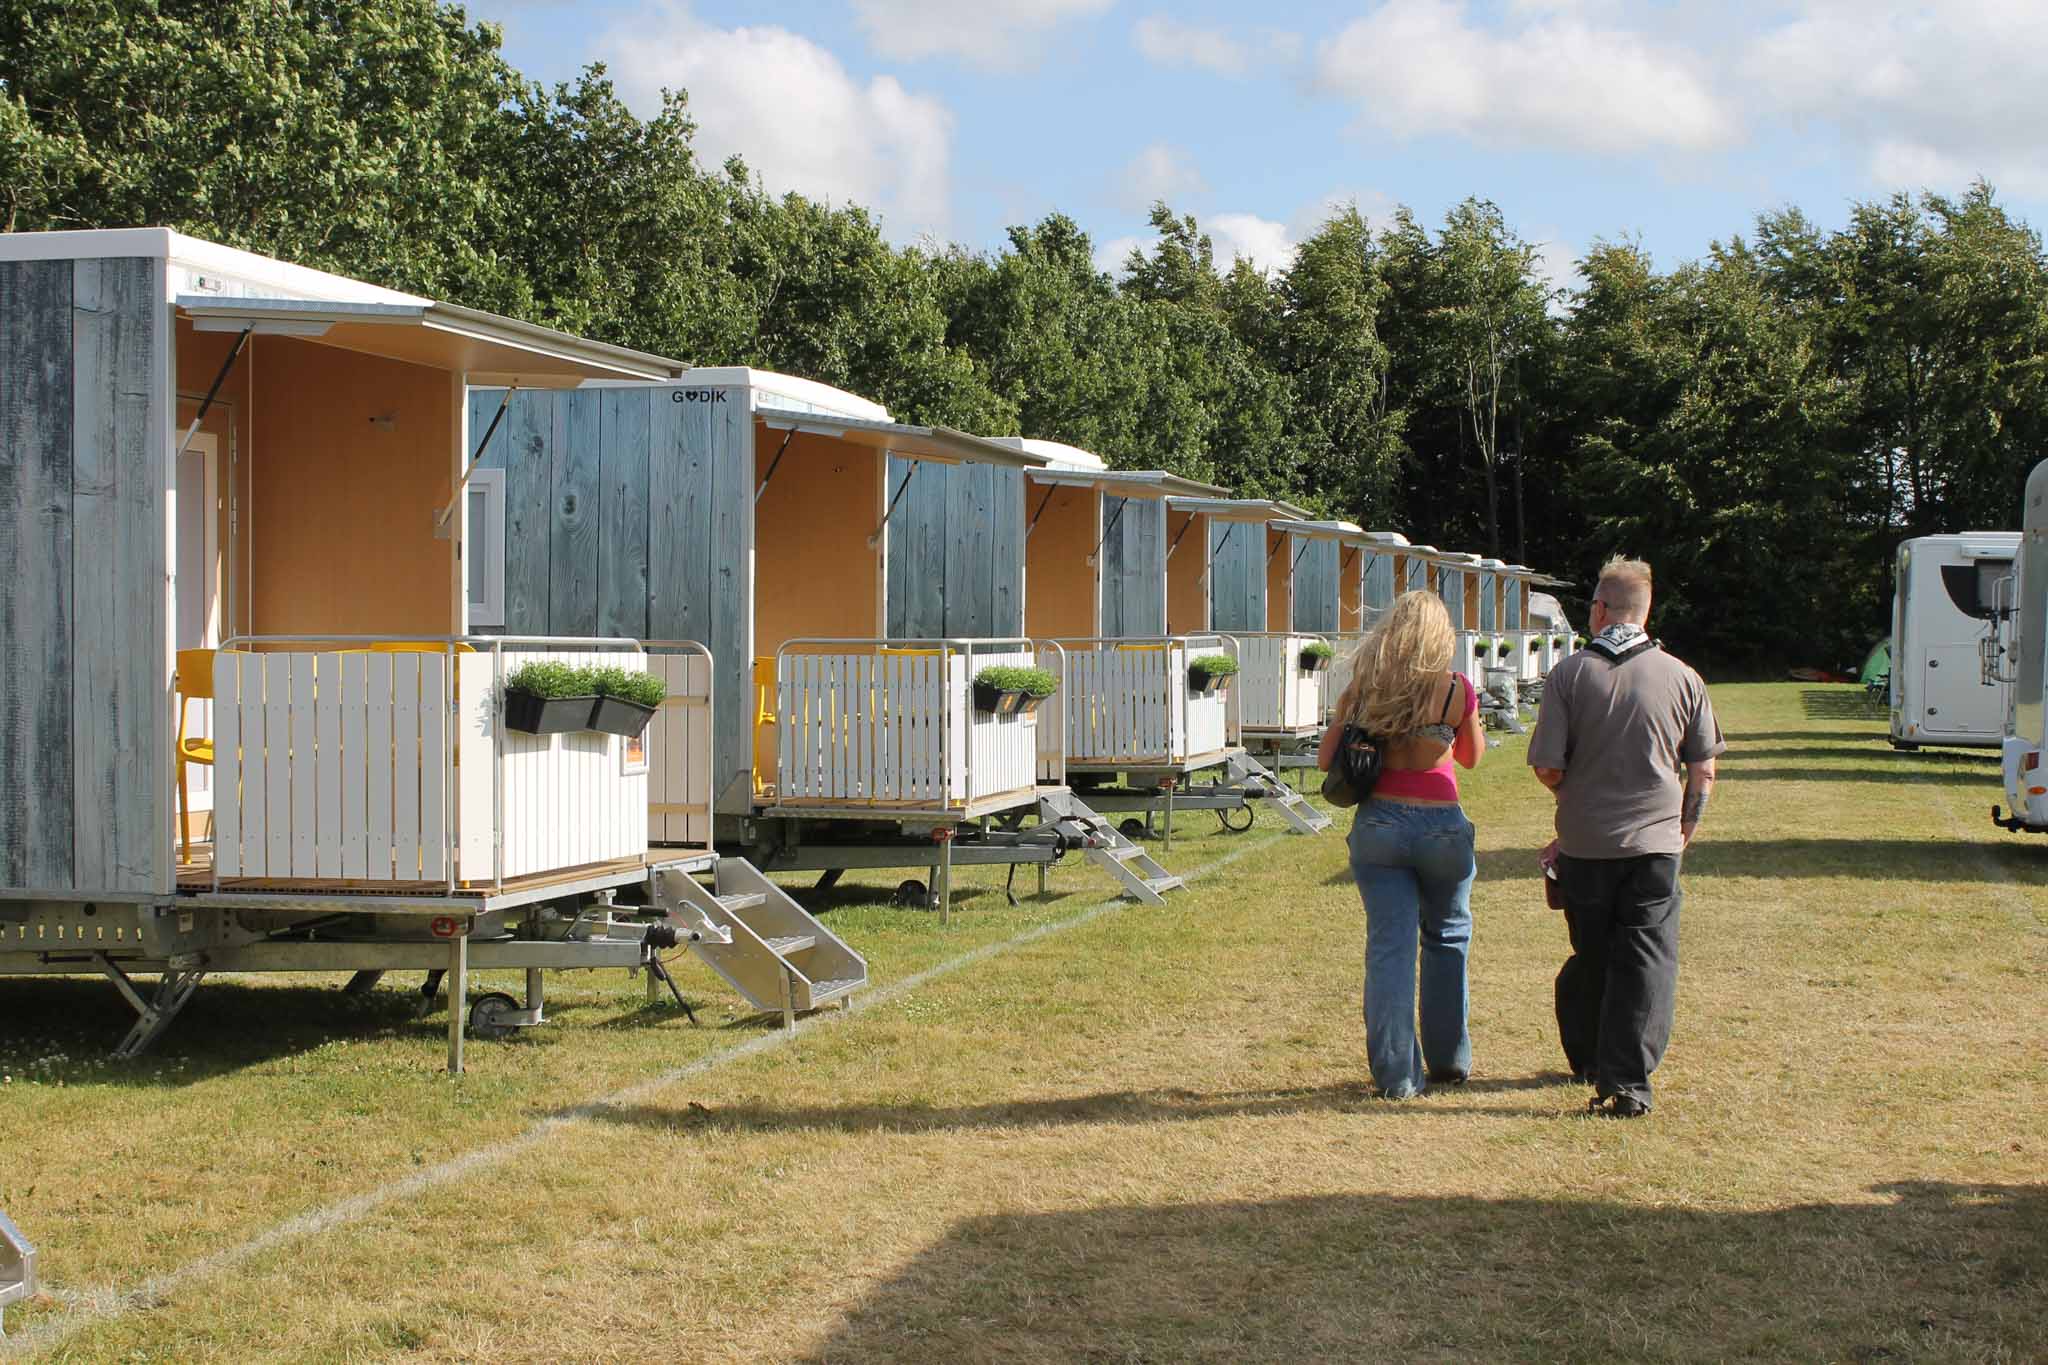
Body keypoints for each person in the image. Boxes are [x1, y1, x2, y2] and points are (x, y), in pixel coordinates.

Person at [1528, 556, 1723, 1118]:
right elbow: (1703, 769)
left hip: (1586, 845)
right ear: (1645, 611)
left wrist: (1575, 799)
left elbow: (1548, 765)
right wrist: (1684, 830)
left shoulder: (1569, 675)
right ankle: (1628, 1081)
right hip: (1656, 844)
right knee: (1644, 960)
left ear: (1599, 609)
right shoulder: (1683, 677)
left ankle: (1590, 1056)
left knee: (1593, 953)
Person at [1318, 590, 1485, 1098]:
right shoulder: (1455, 689)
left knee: (1390, 949)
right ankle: (1449, 1059)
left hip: (1380, 825)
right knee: (1448, 936)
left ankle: (1397, 1077)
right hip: (1442, 823)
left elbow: (1327, 760)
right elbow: (1472, 757)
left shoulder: (1365, 688)